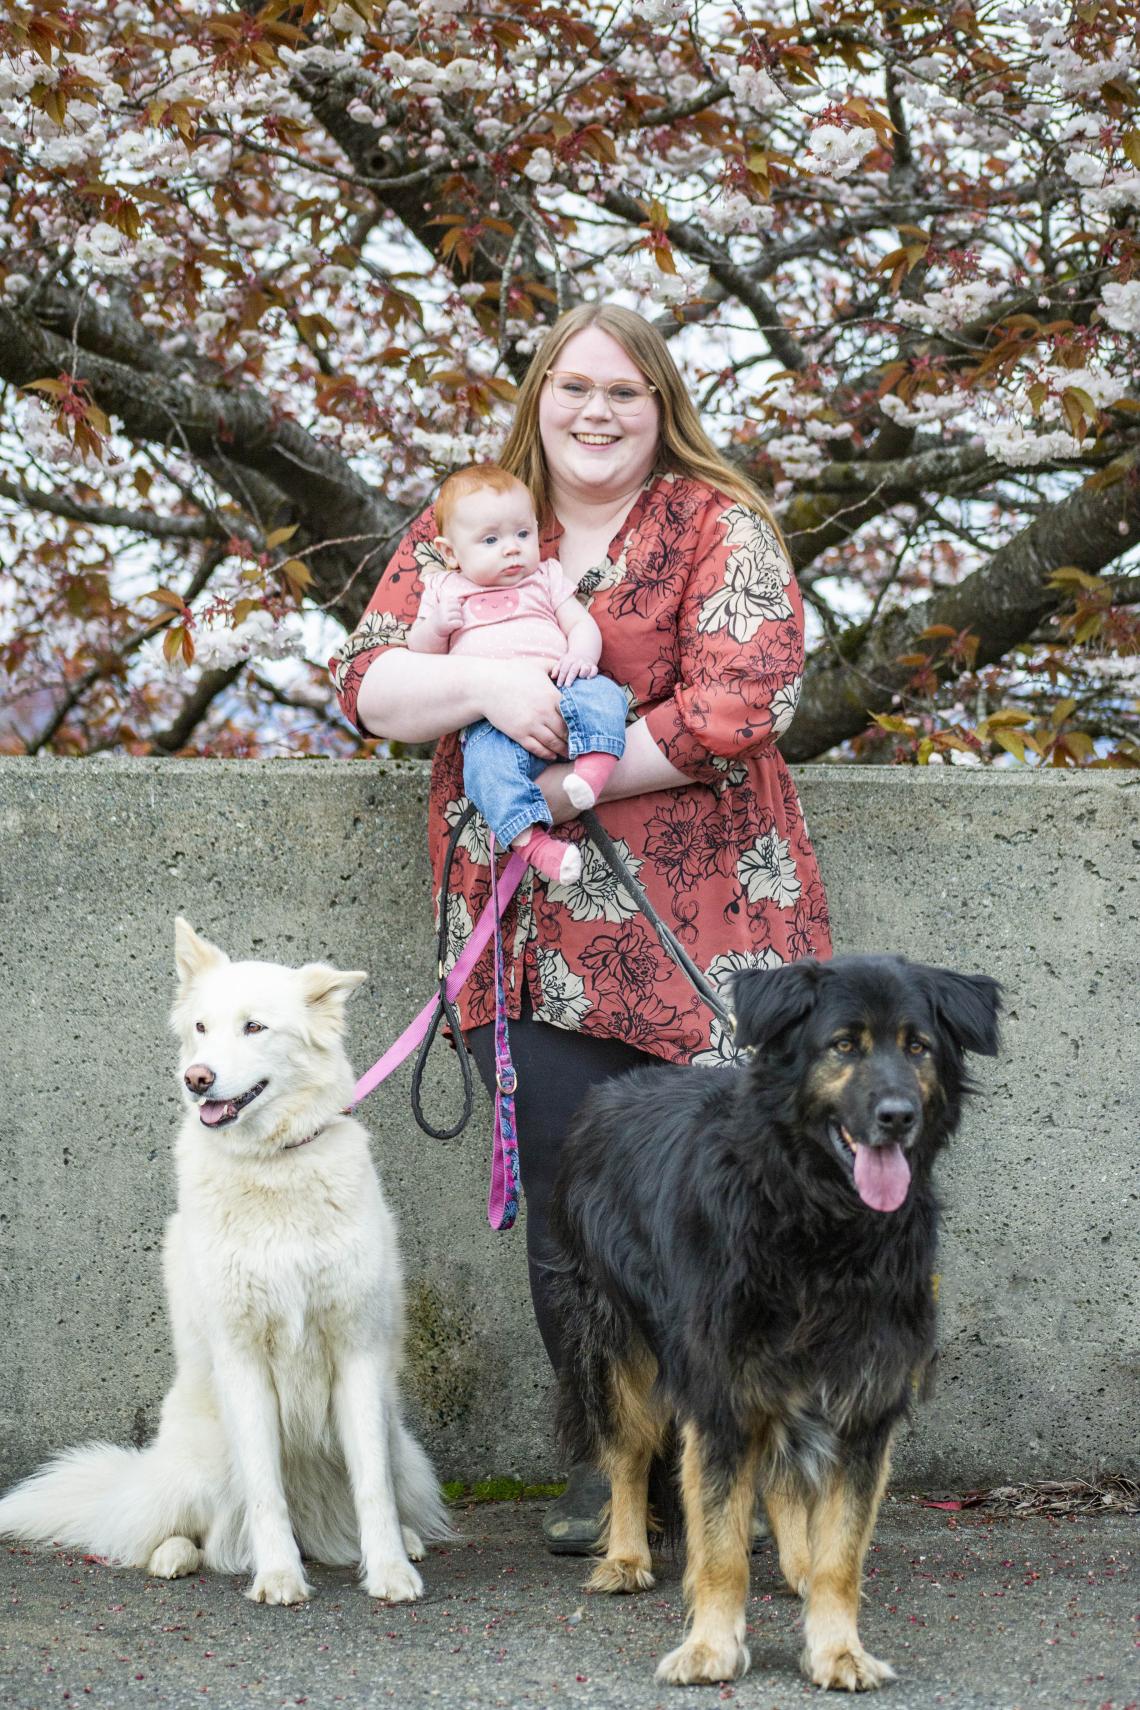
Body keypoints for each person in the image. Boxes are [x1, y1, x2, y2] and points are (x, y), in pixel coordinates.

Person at [329, 303, 832, 1551]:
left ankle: (748, 1447)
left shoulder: (721, 527)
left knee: (741, 1192)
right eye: (573, 387)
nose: (595, 411)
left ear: (661, 406)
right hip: (527, 930)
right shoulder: (471, 528)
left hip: (710, 920)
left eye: (624, 391)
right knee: (574, 1201)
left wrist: (569, 785)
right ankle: (617, 1464)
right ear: (538, 398)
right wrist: (490, 684)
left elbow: (737, 700)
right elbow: (372, 681)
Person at [407, 463, 627, 886]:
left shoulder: (544, 578)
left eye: (523, 534)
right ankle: (535, 844)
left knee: (605, 696)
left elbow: (579, 623)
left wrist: (581, 657)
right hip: (492, 723)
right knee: (484, 773)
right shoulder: (444, 590)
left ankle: (592, 771)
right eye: (491, 540)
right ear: (451, 552)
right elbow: (421, 657)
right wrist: (436, 627)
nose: (512, 548)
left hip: (560, 684)